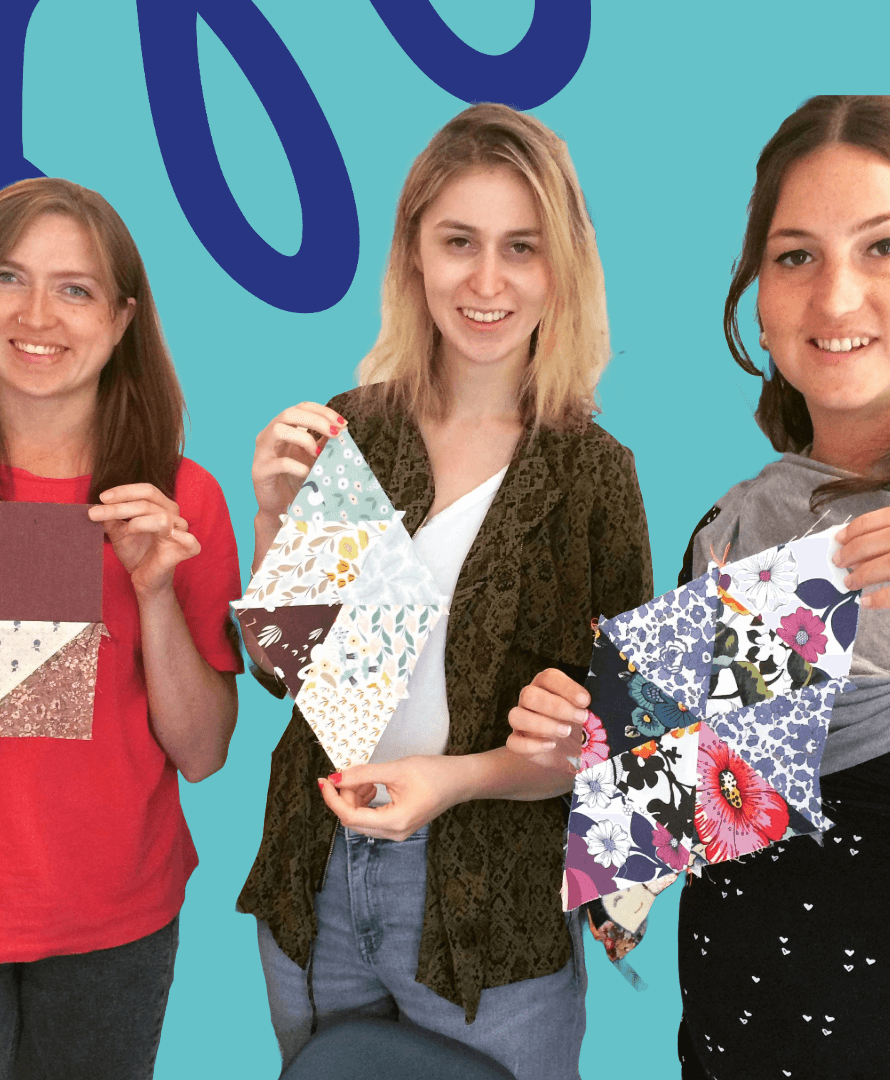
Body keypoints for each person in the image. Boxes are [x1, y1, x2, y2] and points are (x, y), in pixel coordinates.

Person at [510, 95, 890, 1078]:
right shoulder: (734, 532)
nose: (836, 299)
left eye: (883, 247)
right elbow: (630, 874)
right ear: (757, 292)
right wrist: (578, 765)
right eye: (795, 255)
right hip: (735, 1045)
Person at [237, 103, 654, 1079]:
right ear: (414, 254)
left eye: (522, 247)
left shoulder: (594, 474)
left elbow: (612, 752)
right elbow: (293, 675)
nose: (487, 281)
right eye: (458, 242)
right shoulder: (354, 430)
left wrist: (456, 780)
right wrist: (271, 520)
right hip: (318, 877)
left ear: (562, 266)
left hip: (491, 913)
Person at [0, 178, 242, 1080]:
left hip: (110, 926)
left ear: (123, 319)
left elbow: (202, 755)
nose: (36, 313)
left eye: (75, 288)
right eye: (8, 277)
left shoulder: (177, 497)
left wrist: (154, 594)